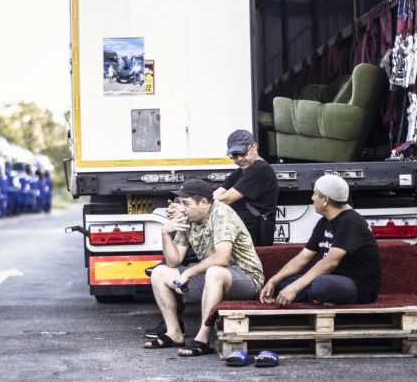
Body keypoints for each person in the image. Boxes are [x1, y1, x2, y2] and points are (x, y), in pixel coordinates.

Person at [144, 179, 264, 357]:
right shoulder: (189, 218)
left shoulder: (222, 214)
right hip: (212, 278)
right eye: (180, 203)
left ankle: (202, 339)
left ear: (204, 203)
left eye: (186, 203)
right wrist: (166, 234)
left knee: (215, 271)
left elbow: (222, 258)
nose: (182, 208)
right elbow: (173, 261)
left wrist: (189, 273)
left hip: (246, 278)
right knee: (159, 273)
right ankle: (174, 333)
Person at [259, 175, 381, 306]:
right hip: (332, 278)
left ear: (325, 199)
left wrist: (294, 288)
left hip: (358, 285)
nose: (312, 198)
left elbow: (329, 263)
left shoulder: (350, 222)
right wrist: (273, 280)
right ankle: (319, 298)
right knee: (283, 284)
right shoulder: (324, 222)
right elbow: (302, 259)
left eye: (315, 194)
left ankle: (319, 296)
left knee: (321, 285)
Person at [213, 129, 279, 246]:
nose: (239, 159)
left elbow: (225, 199)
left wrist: (196, 206)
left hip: (253, 238)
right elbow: (216, 195)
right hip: (242, 233)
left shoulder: (261, 169)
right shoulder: (240, 171)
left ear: (254, 147)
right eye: (234, 155)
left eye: (243, 153)